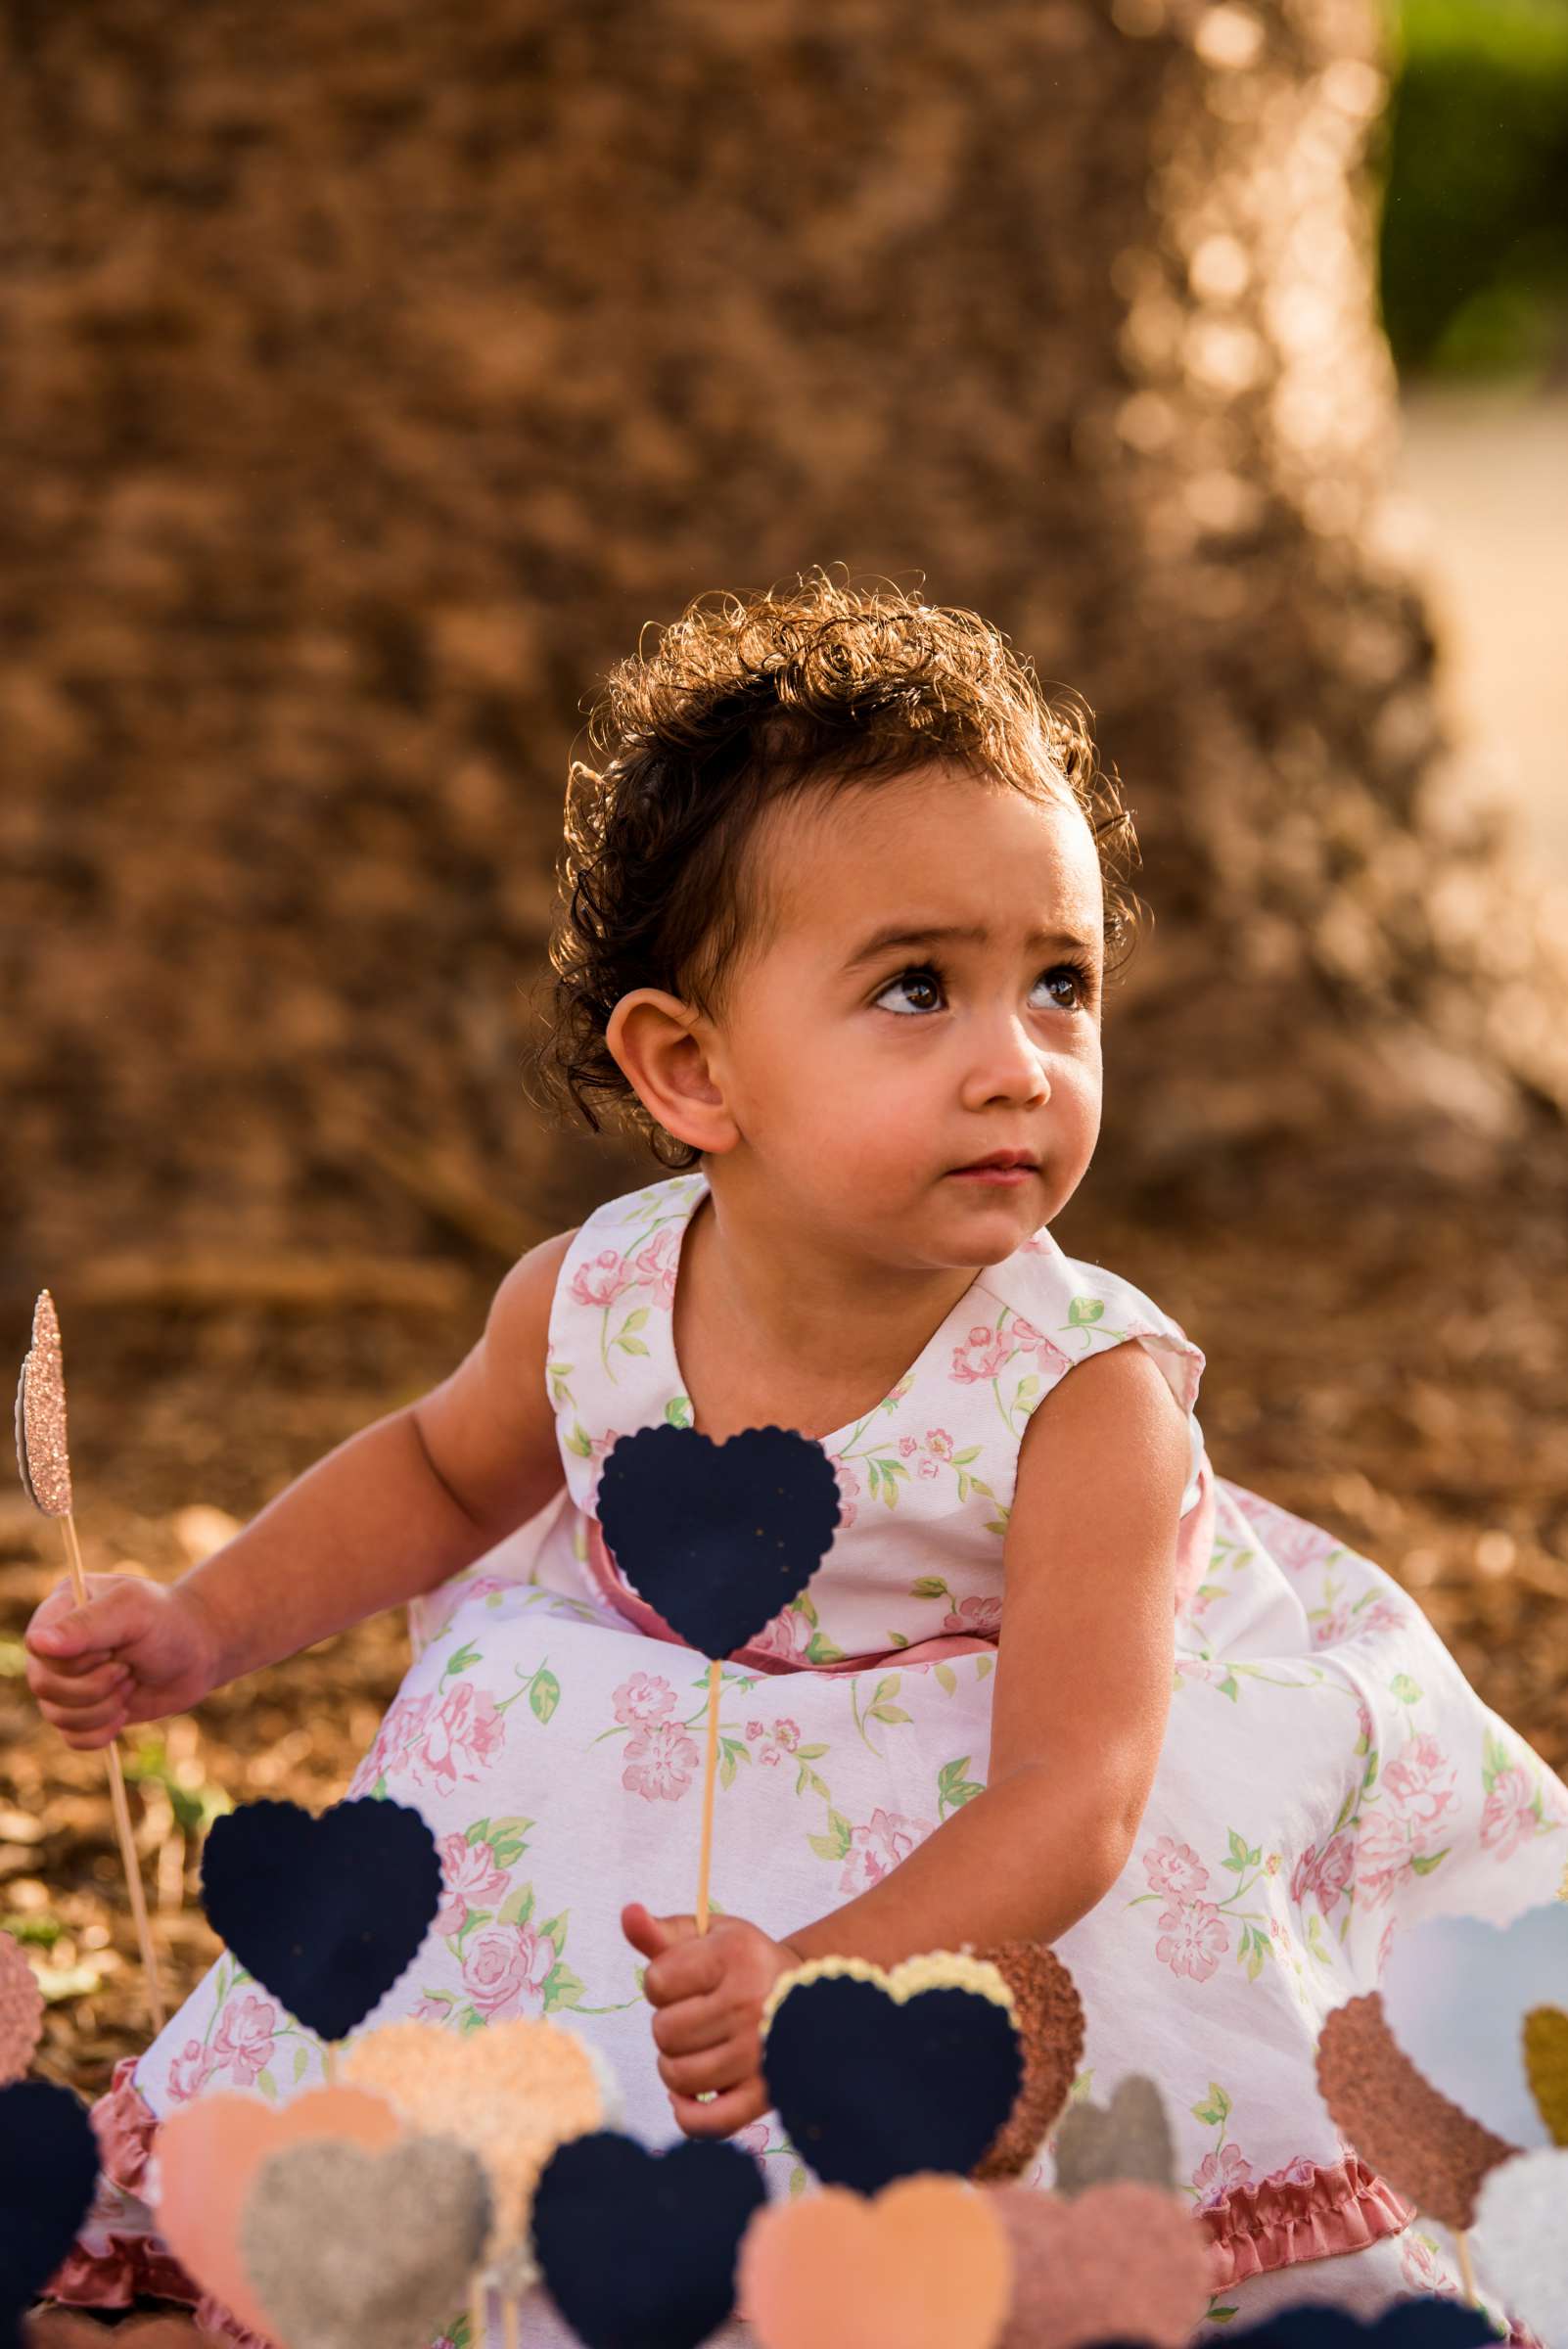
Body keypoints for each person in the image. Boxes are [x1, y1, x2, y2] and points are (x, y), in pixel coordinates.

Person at [27, 572, 1566, 2345]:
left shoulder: (1084, 1392)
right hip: (679, 1751)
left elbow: (1080, 1796)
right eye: (917, 989)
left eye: (1058, 986)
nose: (1017, 1065)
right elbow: (446, 1478)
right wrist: (210, 1625)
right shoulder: (593, 1293)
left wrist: (824, 1982)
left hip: (1005, 1811)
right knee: (522, 1779)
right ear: (690, 1067)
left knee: (1028, 2076)